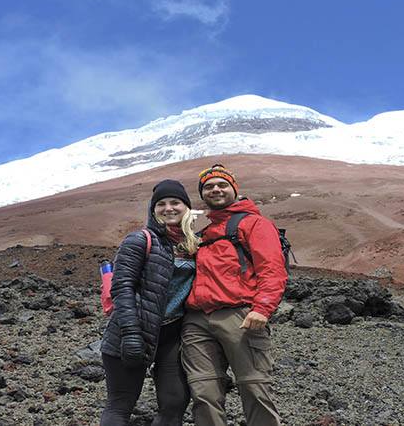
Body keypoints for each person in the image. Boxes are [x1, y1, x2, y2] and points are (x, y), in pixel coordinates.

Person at [181, 164, 287, 426]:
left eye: (222, 185)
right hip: (196, 321)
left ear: (234, 190)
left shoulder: (255, 224)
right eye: (208, 187)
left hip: (240, 316)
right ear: (202, 195)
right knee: (203, 393)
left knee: (255, 388)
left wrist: (262, 308)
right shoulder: (202, 235)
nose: (215, 189)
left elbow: (272, 268)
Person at [100, 179, 200, 426]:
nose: (168, 208)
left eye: (175, 202)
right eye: (161, 204)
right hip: (130, 332)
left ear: (186, 207)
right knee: (120, 405)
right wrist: (131, 333)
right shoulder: (140, 239)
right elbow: (122, 287)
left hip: (170, 335)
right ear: (153, 210)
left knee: (175, 402)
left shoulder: (193, 245)